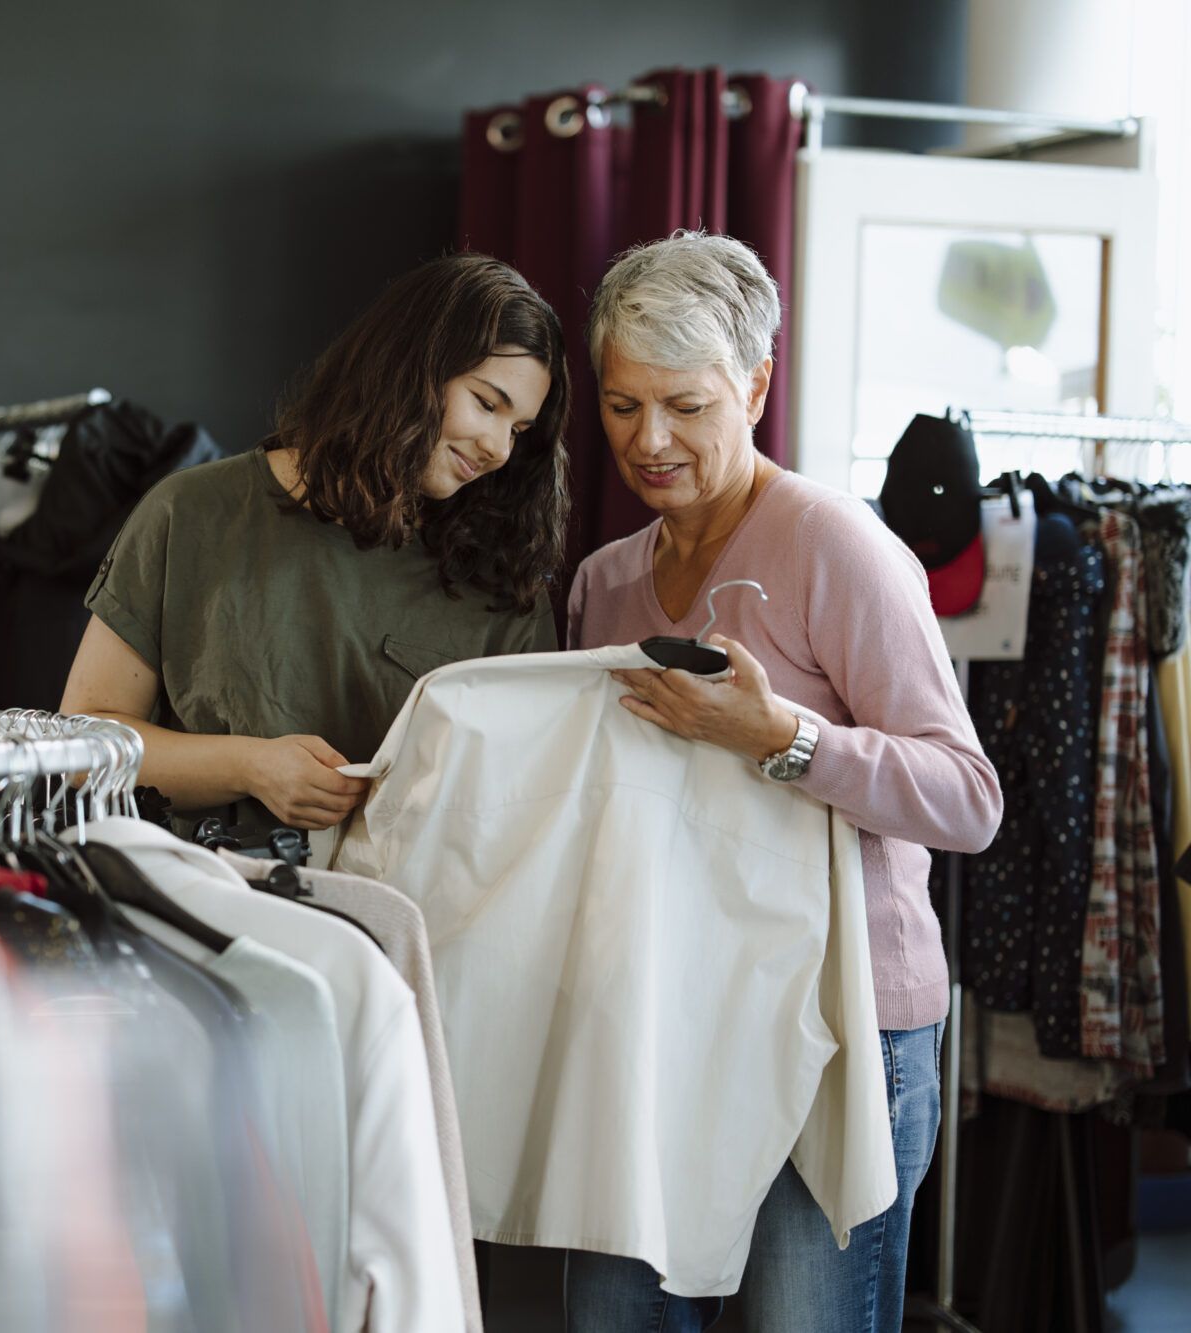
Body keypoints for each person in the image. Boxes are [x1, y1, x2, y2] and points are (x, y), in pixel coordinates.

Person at [562, 231, 1002, 1332]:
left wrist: (782, 737)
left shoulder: (837, 548)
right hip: (658, 1024)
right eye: (621, 406)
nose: (648, 441)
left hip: (840, 1034)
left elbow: (966, 798)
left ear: (753, 384)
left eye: (685, 406)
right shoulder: (603, 583)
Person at [62, 253, 570, 841]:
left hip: (410, 921)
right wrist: (250, 768)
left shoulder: (501, 577)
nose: (498, 449)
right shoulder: (190, 511)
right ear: (410, 366)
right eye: (486, 403)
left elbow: (523, 803)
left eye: (519, 431)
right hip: (201, 905)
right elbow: (80, 745)